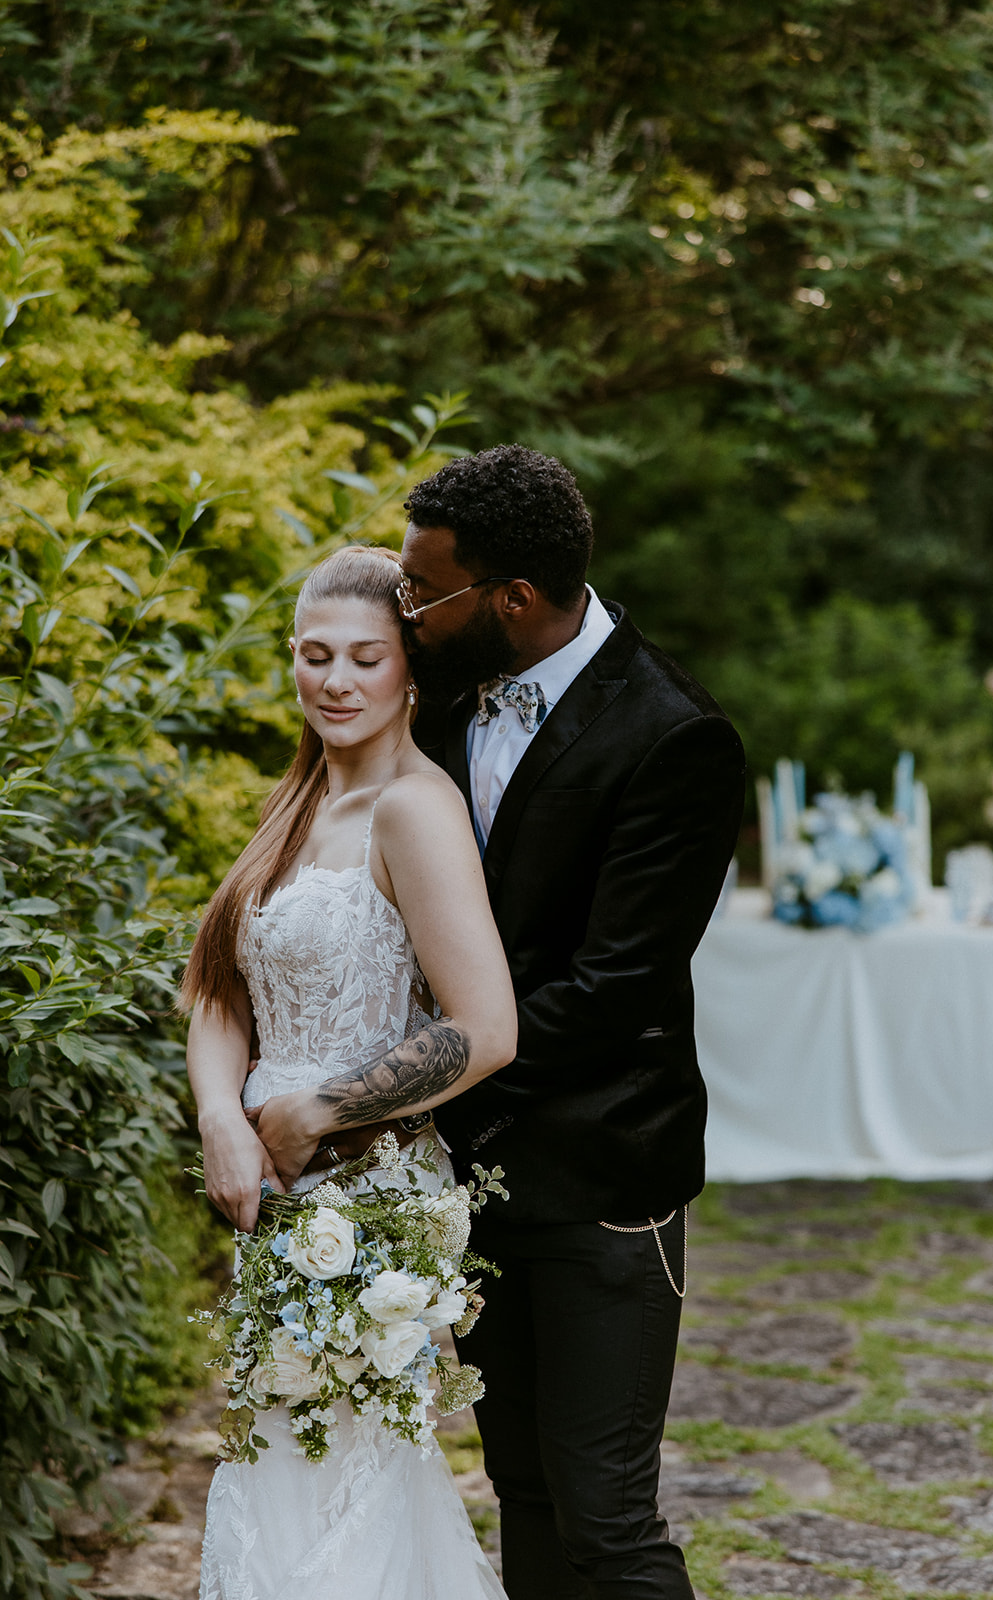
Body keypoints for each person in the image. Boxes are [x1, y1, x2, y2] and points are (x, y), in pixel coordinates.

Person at [253, 445, 746, 1599]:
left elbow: (611, 990)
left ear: (511, 599)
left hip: (601, 1183)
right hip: (466, 1179)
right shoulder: (446, 704)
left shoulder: (674, 736)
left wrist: (405, 1081)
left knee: (605, 1514)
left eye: (425, 594)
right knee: (519, 1485)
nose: (408, 616)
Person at [183, 544, 516, 1600]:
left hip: (367, 1202)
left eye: (363, 658)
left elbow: (487, 1026)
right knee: (280, 1473)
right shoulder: (295, 807)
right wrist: (222, 1122)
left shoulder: (413, 809)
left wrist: (315, 1112)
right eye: (313, 653)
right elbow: (217, 991)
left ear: (408, 670)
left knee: (345, 1480)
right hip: (276, 1199)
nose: (334, 679)